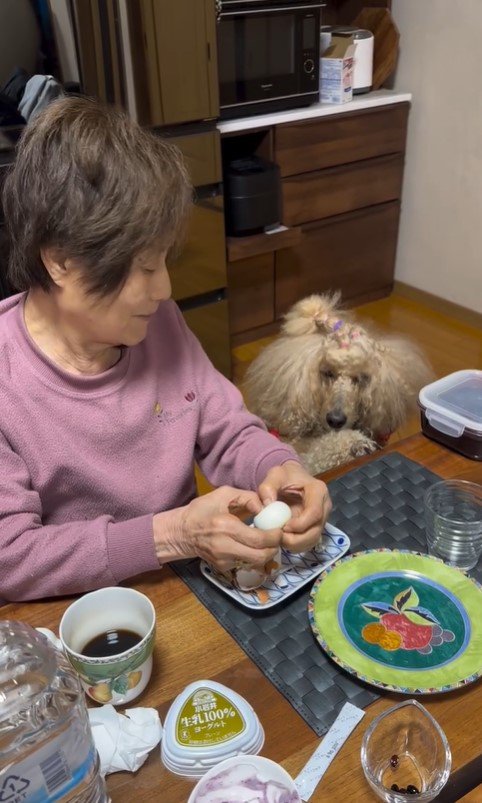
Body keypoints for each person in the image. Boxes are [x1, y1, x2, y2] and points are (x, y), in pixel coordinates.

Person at [0, 97, 332, 603]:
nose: (165, 289)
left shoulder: (156, 324)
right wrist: (171, 534)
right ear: (61, 262)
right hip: (83, 616)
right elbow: (12, 558)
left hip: (188, 586)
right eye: (145, 267)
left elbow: (225, 429)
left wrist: (279, 469)